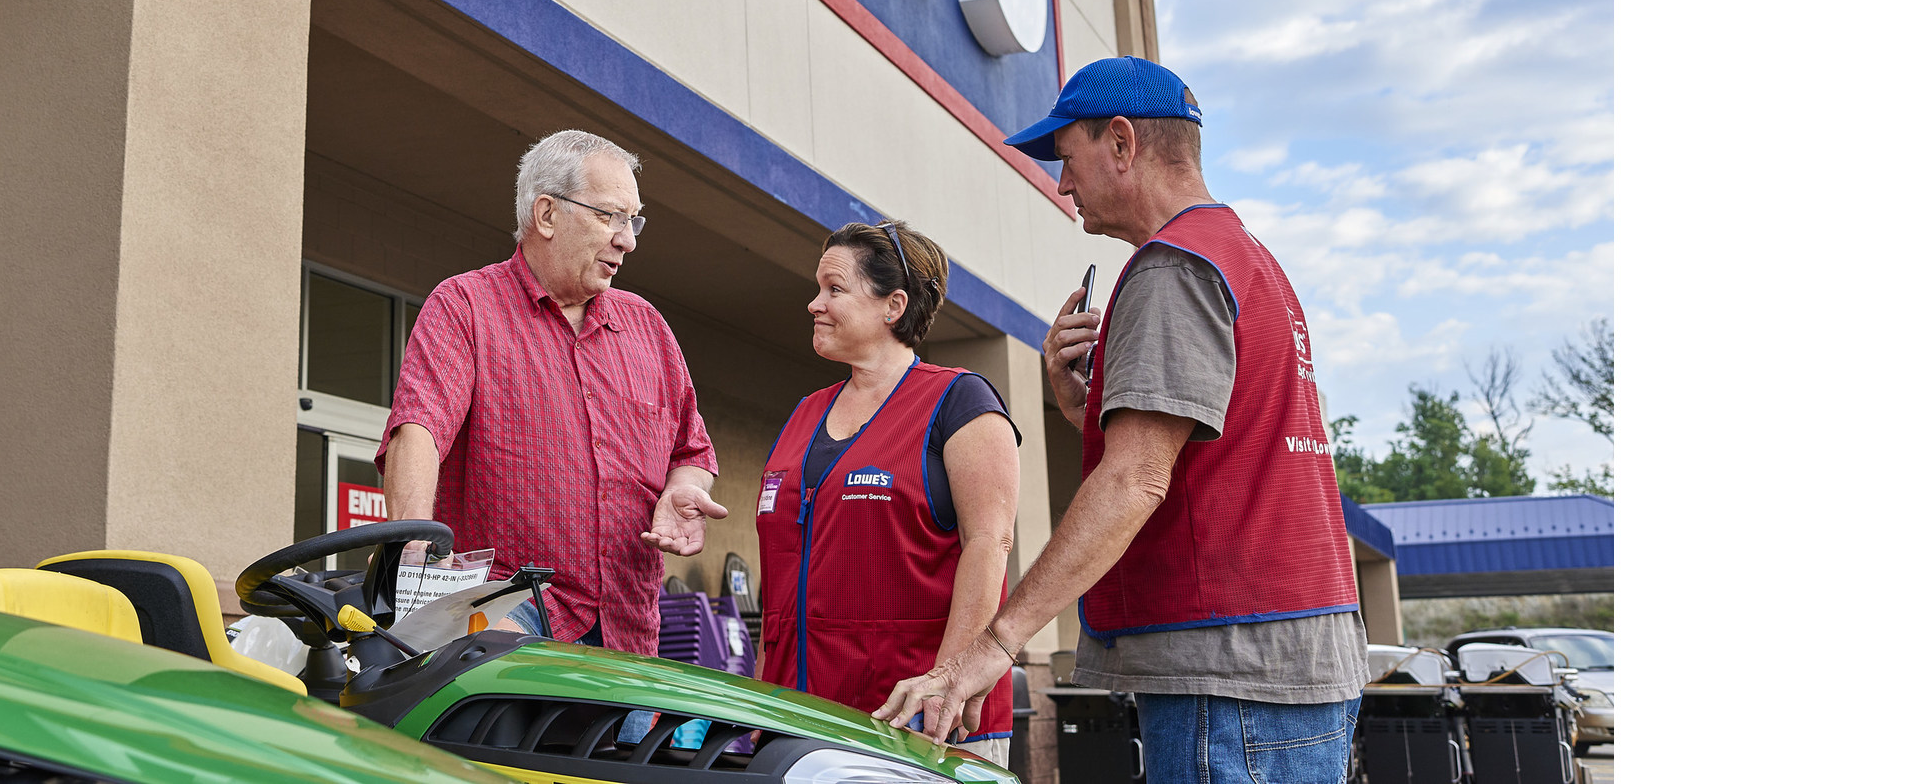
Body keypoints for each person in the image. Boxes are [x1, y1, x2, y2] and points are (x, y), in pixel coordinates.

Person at [874, 57, 1364, 784]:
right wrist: (1083, 408)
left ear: (1124, 144)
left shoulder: (1173, 268)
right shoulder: (1247, 260)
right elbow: (1208, 461)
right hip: (1287, 663)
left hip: (1229, 678)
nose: (1063, 184)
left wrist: (994, 644)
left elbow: (1138, 478)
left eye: (1067, 159)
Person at [378, 130, 724, 656]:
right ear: (545, 215)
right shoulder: (466, 306)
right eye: (611, 216)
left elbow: (691, 450)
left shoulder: (648, 327)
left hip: (628, 626)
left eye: (633, 221)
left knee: (627, 745)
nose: (627, 240)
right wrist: (415, 546)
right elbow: (418, 429)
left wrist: (682, 489)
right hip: (509, 608)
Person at [755, 220, 1021, 758]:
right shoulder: (805, 413)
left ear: (893, 306)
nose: (814, 303)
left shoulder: (959, 402)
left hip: (917, 723)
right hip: (800, 719)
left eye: (834, 289)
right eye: (817, 288)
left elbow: (989, 547)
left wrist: (946, 685)